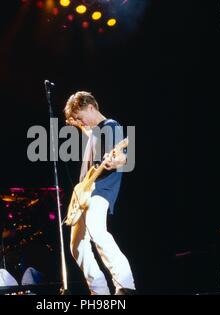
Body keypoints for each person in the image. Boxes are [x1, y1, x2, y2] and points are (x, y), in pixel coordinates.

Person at [64, 91, 136, 295]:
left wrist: (117, 160)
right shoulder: (94, 132)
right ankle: (99, 292)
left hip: (101, 190)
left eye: (80, 117)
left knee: (97, 229)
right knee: (76, 247)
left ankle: (126, 286)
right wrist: (78, 123)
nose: (79, 122)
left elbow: (122, 155)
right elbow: (88, 130)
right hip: (83, 193)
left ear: (91, 107)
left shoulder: (111, 126)